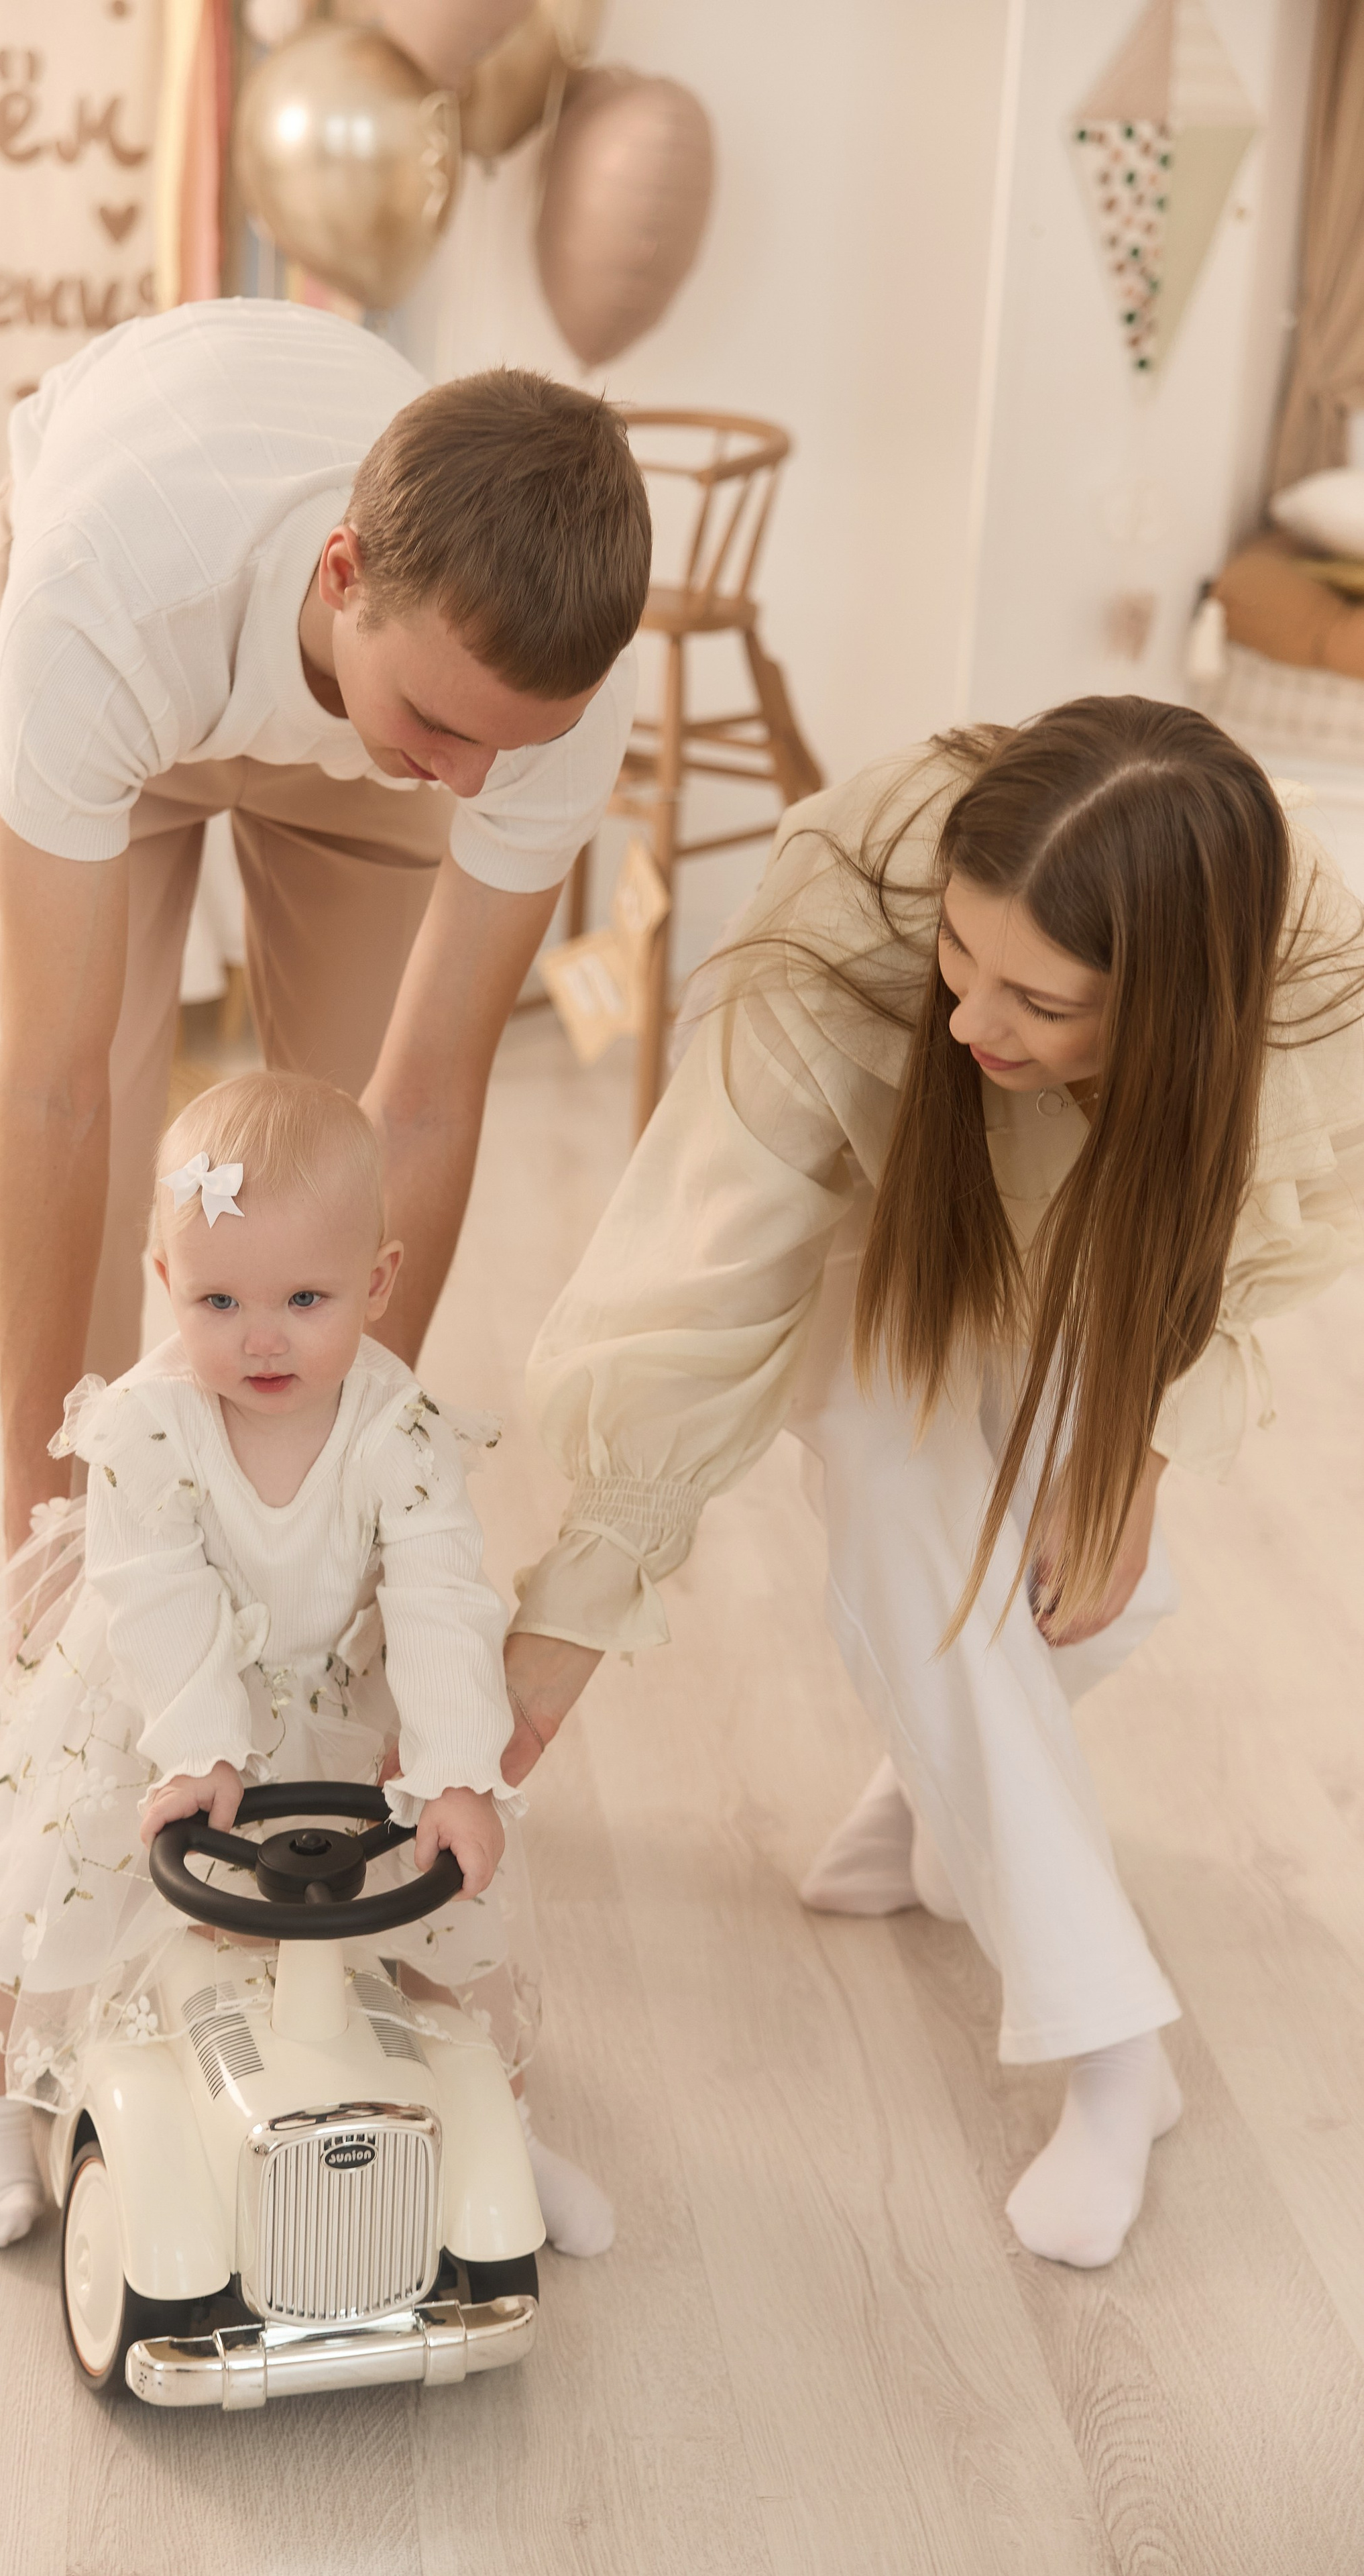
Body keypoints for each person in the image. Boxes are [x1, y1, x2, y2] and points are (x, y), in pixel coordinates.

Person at [498, 698, 1364, 2269]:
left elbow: (1243, 1263)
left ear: (1170, 1012)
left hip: (1103, 1260)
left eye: (1038, 1001)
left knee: (1089, 1597)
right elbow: (718, 1262)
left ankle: (930, 1790)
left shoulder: (1306, 986)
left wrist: (1135, 1460)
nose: (971, 1020)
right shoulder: (866, 898)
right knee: (907, 1506)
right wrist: (566, 1617)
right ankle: (1113, 2059)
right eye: (961, 964)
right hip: (876, 1225)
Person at [0, 298, 649, 1551]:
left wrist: (349, 1494)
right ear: (344, 573)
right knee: (103, 1102)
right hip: (145, 624)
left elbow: (425, 1100)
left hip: (337, 701)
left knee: (332, 1180)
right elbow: (49, 1090)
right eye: (446, 725)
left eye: (514, 744)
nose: (479, 782)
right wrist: (32, 1514)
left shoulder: (542, 705)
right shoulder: (102, 601)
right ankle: (95, 1521)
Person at [0, 1070, 612, 2260]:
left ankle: (506, 2129)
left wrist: (453, 1772)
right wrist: (202, 1749)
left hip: (334, 1692)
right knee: (31, 1898)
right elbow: (157, 1595)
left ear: (379, 1284)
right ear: (167, 1282)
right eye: (218, 1299)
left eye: (306, 1298)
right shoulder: (145, 1426)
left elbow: (439, 1600)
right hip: (149, 1699)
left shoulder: (401, 1432)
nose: (260, 1337)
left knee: (448, 1924)